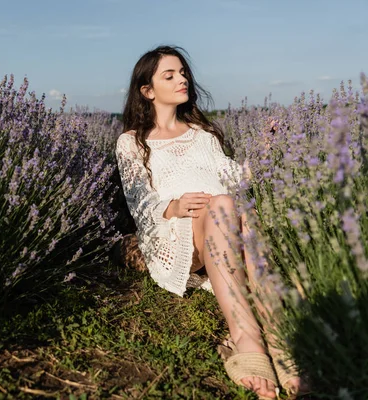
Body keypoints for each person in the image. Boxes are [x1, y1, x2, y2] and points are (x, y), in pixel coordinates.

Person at [115, 45, 303, 399]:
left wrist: (266, 147)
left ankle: (278, 336)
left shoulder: (204, 135)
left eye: (183, 72)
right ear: (148, 91)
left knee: (233, 206)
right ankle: (246, 335)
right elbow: (139, 200)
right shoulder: (132, 143)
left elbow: (234, 180)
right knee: (219, 206)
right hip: (174, 233)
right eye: (169, 75)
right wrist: (173, 206)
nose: (181, 78)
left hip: (224, 219)